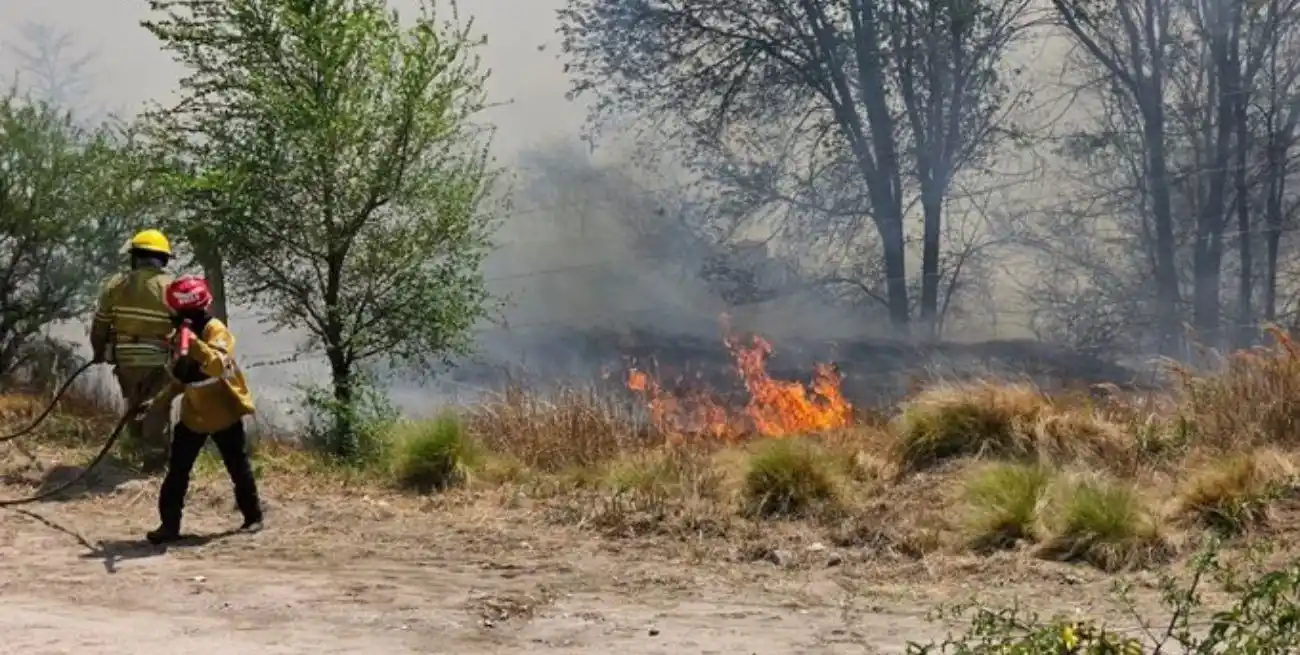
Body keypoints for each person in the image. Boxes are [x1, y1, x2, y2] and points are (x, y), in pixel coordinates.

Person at [141, 274, 264, 545]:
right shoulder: (179, 336)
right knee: (177, 472)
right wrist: (157, 404)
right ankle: (169, 527)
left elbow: (218, 365)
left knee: (237, 467)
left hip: (223, 413)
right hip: (193, 414)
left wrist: (195, 345)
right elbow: (180, 377)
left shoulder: (216, 330)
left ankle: (253, 517)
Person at [90, 229, 177, 473]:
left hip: (126, 359)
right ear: (163, 259)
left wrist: (98, 352)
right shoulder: (171, 288)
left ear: (135, 257)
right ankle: (155, 464)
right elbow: (184, 327)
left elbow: (100, 325)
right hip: (159, 359)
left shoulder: (115, 285)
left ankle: (133, 451)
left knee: (134, 403)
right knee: (156, 409)